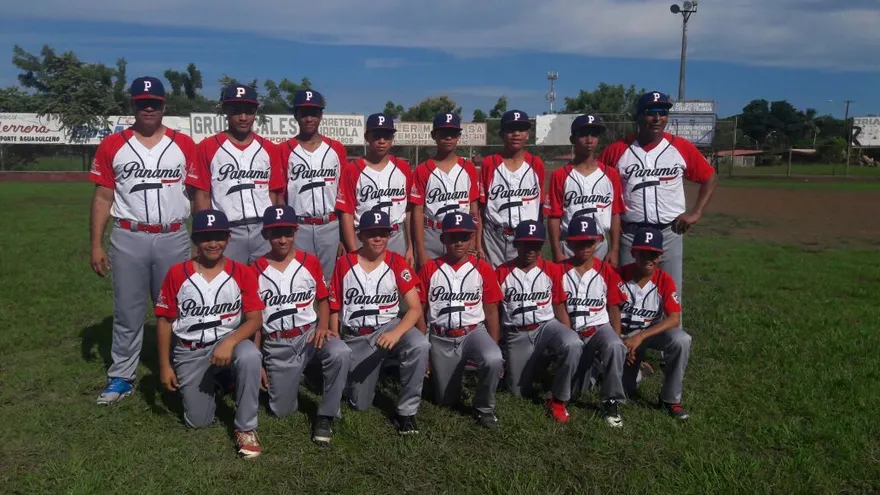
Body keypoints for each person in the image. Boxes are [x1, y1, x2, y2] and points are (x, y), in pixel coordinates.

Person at [90, 76, 197, 405]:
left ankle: (185, 370)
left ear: (165, 105)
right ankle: (122, 376)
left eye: (154, 102)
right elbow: (103, 196)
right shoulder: (113, 144)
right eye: (141, 102)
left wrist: (201, 236)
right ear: (132, 105)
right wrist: (95, 244)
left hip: (173, 235)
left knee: (181, 309)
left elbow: (198, 193)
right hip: (129, 235)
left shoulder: (184, 144)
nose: (148, 107)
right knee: (128, 310)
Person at [154, 209, 265, 458]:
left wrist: (230, 341)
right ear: (195, 240)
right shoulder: (177, 273)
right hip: (190, 350)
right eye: (206, 237)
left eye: (218, 236)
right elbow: (164, 321)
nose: (212, 243)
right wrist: (164, 366)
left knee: (250, 356)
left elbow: (255, 319)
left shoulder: (241, 272)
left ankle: (246, 427)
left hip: (229, 343)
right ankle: (220, 381)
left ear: (228, 238)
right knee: (198, 422)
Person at [598, 91, 717, 308]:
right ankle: (624, 337)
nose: (657, 118)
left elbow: (709, 177)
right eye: (650, 113)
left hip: (669, 232)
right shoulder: (617, 151)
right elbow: (597, 183)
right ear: (638, 116)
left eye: (662, 113)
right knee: (623, 291)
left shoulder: (680, 147)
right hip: (630, 233)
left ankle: (671, 338)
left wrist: (696, 212)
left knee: (671, 292)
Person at [251, 205, 351, 445]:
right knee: (281, 411)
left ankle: (326, 415)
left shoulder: (310, 261)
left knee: (340, 351)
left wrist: (323, 326)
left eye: (287, 232)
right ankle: (299, 374)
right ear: (265, 235)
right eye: (276, 233)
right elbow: (253, 320)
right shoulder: (254, 269)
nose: (282, 239)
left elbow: (323, 298)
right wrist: (257, 360)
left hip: (308, 335)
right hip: (277, 343)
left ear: (296, 231)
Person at [328, 210, 429, 434]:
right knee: (359, 404)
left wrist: (396, 333)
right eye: (372, 233)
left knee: (420, 344)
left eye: (383, 233)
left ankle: (406, 412)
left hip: (390, 327)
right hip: (358, 336)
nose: (378, 238)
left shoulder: (397, 261)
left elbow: (414, 307)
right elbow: (334, 306)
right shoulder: (345, 263)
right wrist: (336, 338)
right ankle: (357, 379)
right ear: (361, 235)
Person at [417, 211, 503, 428]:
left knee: (492, 359)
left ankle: (484, 408)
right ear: (443, 239)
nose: (458, 242)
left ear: (472, 238)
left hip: (474, 333)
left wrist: (495, 346)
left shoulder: (483, 268)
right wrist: (425, 350)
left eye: (464, 237)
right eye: (453, 237)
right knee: (446, 401)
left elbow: (491, 310)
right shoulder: (429, 269)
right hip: (441, 337)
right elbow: (419, 311)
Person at [187, 83, 285, 264]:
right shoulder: (207, 147)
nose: (243, 117)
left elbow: (274, 194)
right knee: (228, 287)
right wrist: (205, 235)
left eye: (248, 111)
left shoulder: (270, 149)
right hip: (226, 231)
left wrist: (275, 230)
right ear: (226, 111)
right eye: (236, 111)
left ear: (255, 112)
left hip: (263, 229)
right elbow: (202, 196)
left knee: (266, 285)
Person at [496, 220, 583, 422]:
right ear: (516, 244)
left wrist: (568, 336)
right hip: (517, 332)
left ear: (542, 246)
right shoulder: (501, 272)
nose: (530, 249)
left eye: (535, 244)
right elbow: (496, 312)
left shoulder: (552, 270)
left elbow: (559, 305)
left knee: (573, 343)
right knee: (518, 392)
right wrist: (500, 345)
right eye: (525, 244)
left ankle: (559, 399)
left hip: (546, 326)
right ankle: (541, 368)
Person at [559, 216, 628, 427]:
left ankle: (611, 400)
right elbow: (557, 306)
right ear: (569, 243)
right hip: (572, 332)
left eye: (589, 242)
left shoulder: (606, 270)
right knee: (578, 390)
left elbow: (614, 306)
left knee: (615, 345)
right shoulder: (558, 270)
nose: (585, 247)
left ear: (597, 242)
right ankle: (590, 375)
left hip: (599, 328)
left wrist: (617, 337)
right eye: (579, 242)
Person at [618, 228, 690, 421]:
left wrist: (640, 337)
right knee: (624, 392)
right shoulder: (618, 275)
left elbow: (674, 318)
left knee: (681, 339)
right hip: (622, 337)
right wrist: (622, 341)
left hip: (648, 336)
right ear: (633, 253)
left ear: (660, 256)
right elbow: (609, 312)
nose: (648, 258)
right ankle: (635, 369)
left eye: (653, 254)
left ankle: (670, 400)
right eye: (643, 254)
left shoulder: (664, 280)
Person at [278, 89, 349, 281]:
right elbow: (280, 196)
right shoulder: (284, 150)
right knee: (299, 281)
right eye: (304, 113)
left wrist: (343, 236)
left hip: (330, 225)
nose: (309, 118)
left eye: (314, 113)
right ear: (296, 116)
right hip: (299, 227)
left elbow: (343, 195)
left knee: (331, 282)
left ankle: (327, 313)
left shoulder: (336, 149)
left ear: (321, 116)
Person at [335, 113, 413, 264]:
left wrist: (410, 247)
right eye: (376, 136)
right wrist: (352, 249)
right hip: (365, 236)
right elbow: (347, 213)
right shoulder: (352, 170)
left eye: (386, 136)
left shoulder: (403, 168)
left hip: (396, 235)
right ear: (367, 137)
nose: (382, 141)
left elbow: (409, 210)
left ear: (392, 138)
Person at [546, 114, 624, 264]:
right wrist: (556, 250)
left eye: (594, 135)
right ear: (572, 139)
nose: (589, 140)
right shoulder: (560, 175)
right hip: (570, 245)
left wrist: (614, 249)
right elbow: (554, 216)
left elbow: (615, 214)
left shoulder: (611, 174)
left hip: (600, 244)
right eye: (583, 135)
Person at [410, 113, 483, 268]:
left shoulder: (468, 167)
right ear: (433, 135)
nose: (448, 138)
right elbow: (417, 211)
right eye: (443, 134)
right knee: (430, 284)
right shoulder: (422, 170)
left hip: (462, 234)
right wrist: (420, 250)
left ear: (458, 136)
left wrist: (473, 240)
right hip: (433, 233)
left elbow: (474, 209)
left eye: (453, 134)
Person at [480, 110, 545, 267]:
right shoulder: (490, 163)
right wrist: (478, 243)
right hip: (494, 235)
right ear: (502, 134)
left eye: (521, 129)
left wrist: (540, 241)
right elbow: (481, 207)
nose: (516, 134)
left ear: (527, 134)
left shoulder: (536, 164)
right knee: (495, 282)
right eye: (510, 129)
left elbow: (540, 207)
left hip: (527, 237)